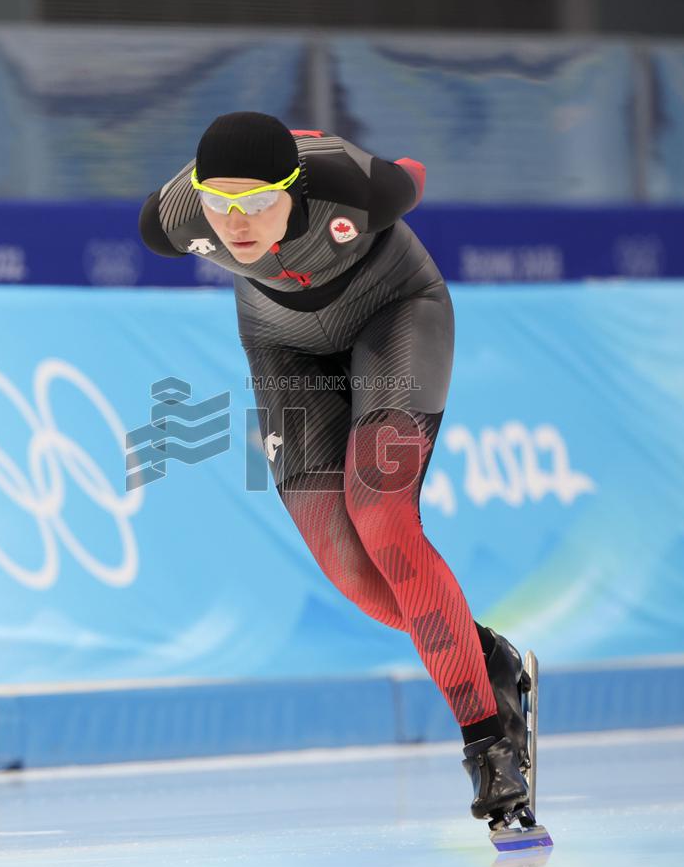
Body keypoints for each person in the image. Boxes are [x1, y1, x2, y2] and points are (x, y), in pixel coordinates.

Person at [139, 111, 531, 825]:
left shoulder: (356, 185)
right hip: (284, 347)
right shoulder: (172, 215)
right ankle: (486, 657)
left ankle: (489, 739)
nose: (237, 222)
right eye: (222, 204)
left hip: (394, 316)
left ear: (296, 187)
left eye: (258, 202)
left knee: (381, 514)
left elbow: (411, 174)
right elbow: (180, 214)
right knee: (352, 570)